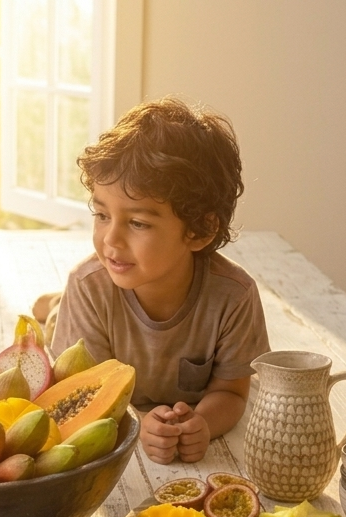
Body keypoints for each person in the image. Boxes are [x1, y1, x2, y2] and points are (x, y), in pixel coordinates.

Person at [42, 97, 270, 465]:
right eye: (101, 215)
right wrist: (142, 422)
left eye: (138, 223)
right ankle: (54, 306)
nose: (111, 240)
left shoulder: (235, 295)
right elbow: (82, 398)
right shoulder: (88, 286)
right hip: (87, 310)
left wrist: (202, 423)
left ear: (200, 231)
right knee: (55, 324)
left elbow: (232, 392)